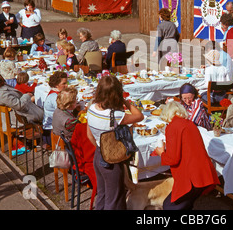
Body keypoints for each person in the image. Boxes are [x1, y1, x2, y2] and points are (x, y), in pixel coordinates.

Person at [86, 75, 144, 210]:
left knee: (102, 194)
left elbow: (89, 135)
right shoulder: (115, 115)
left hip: (98, 155)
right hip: (111, 161)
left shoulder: (91, 108)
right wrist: (126, 101)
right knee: (115, 199)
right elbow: (139, 116)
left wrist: (101, 149)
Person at [154, 101, 220, 210]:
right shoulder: (190, 124)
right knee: (186, 203)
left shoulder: (172, 127)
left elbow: (172, 159)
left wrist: (161, 153)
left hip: (191, 178)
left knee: (169, 206)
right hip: (204, 174)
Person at [42, 71, 68, 150]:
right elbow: (63, 115)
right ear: (57, 85)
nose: (67, 86)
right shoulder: (54, 97)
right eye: (64, 84)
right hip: (51, 133)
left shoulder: (55, 93)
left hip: (52, 129)